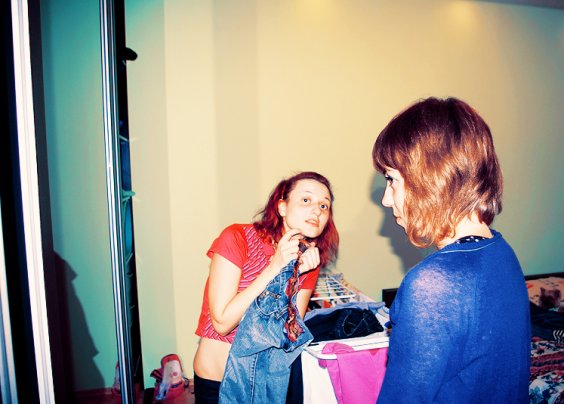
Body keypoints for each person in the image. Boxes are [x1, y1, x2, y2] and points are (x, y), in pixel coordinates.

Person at [372, 97, 530, 403]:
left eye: (392, 179)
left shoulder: (432, 285)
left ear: (431, 176)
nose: (386, 200)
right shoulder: (502, 252)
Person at [193, 171, 339, 403]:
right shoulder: (237, 237)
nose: (317, 211)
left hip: (266, 385)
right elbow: (222, 322)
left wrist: (294, 274)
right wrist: (274, 268)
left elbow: (286, 334)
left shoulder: (308, 262)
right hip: (217, 384)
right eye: (306, 200)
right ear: (282, 207)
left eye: (324, 205)